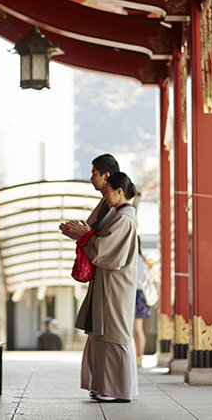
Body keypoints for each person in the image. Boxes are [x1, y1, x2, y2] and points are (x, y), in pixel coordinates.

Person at [67, 172, 139, 403]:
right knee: (101, 333)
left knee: (114, 334)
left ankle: (118, 390)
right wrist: (85, 235)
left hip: (116, 287)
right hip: (108, 284)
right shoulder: (118, 215)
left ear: (119, 191)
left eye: (107, 191)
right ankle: (104, 386)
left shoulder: (125, 219)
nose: (104, 196)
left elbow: (105, 251)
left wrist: (85, 235)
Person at [59, 154, 120, 239]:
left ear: (106, 176)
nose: (91, 179)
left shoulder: (113, 205)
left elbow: (104, 241)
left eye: (94, 174)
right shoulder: (105, 202)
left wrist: (85, 233)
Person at [134, 239, 150, 367]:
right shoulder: (141, 259)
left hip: (134, 293)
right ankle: (139, 357)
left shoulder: (134, 258)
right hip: (139, 294)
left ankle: (138, 357)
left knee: (135, 329)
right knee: (138, 329)